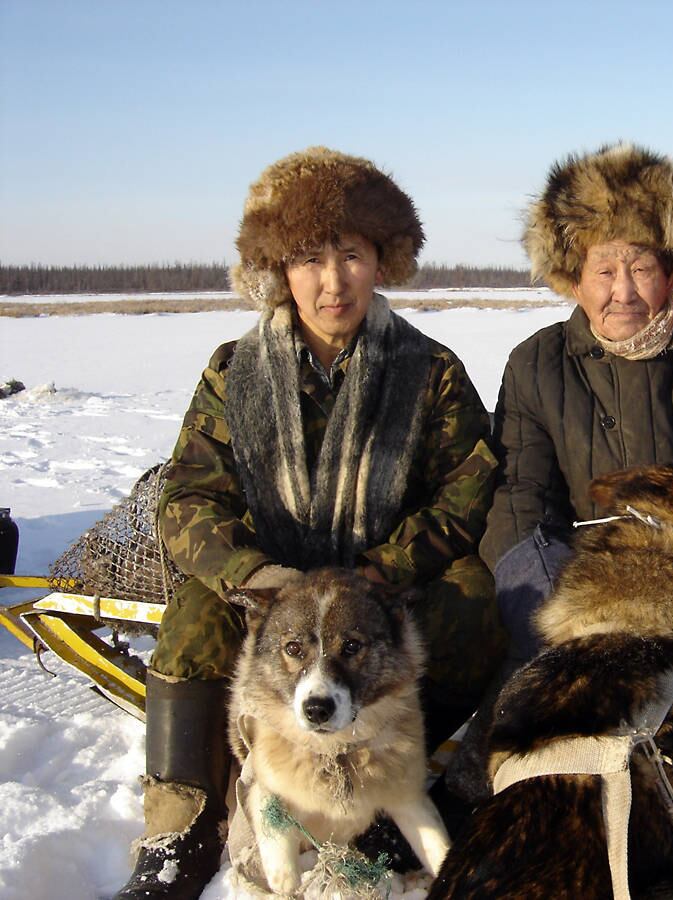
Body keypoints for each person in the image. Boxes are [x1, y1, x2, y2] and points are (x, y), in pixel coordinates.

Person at [116, 147, 506, 899]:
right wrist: (254, 578)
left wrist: (383, 575)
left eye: (352, 255)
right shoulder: (235, 370)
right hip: (271, 580)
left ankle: (391, 786)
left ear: (380, 261)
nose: (333, 282)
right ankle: (181, 824)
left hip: (378, 579)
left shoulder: (429, 370)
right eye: (308, 260)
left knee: (471, 608)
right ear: (277, 271)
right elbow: (188, 499)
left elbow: (467, 488)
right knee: (193, 621)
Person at [455, 144, 673, 798]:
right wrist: (555, 607)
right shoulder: (537, 365)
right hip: (582, 591)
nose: (623, 291)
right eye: (604, 268)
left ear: (671, 270)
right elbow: (516, 501)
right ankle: (484, 806)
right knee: (525, 688)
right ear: (573, 273)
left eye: (642, 266)